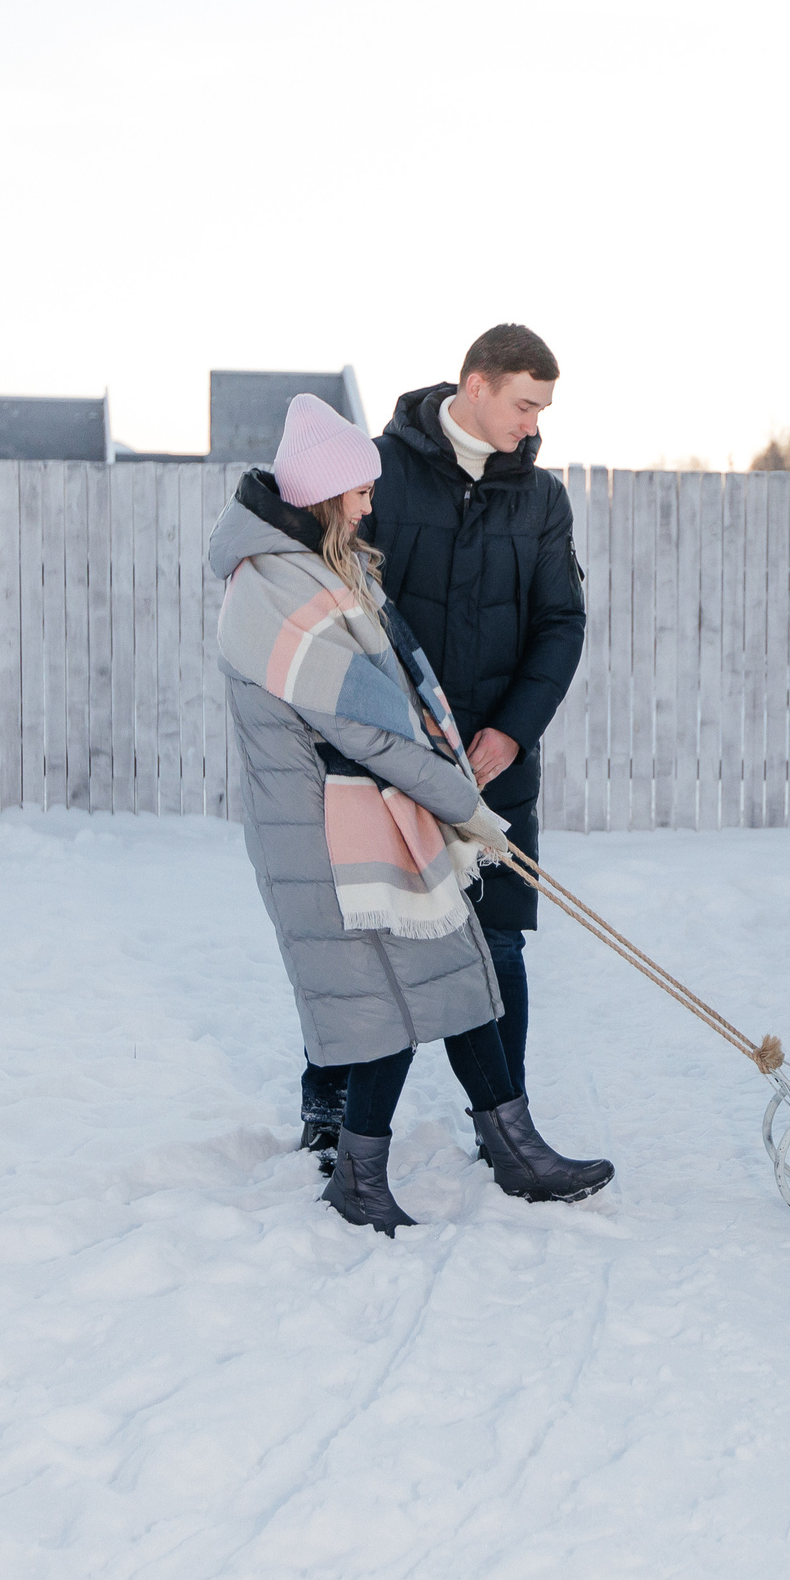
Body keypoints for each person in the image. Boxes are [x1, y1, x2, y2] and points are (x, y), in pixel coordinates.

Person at [208, 393, 612, 1234]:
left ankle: (505, 1146)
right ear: (324, 495)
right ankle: (361, 1176)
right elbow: (370, 727)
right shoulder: (280, 590)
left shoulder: (317, 569)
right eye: (358, 494)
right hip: (327, 833)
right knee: (384, 1004)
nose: (369, 506)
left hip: (364, 822)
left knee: (446, 975)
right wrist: (470, 809)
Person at [282, 325, 586, 1167]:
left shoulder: (542, 500)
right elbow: (329, 597)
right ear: (476, 385)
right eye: (524, 404)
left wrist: (514, 732)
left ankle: (507, 1127)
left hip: (493, 765)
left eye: (542, 409)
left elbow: (563, 621)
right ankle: (331, 1102)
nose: (534, 424)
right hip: (383, 761)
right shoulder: (377, 469)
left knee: (496, 943)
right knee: (369, 936)